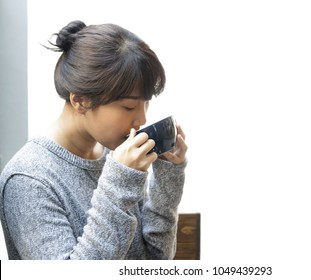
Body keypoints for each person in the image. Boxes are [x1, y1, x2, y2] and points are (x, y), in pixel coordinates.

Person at [0, 20, 187, 260]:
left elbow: (156, 260)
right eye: (128, 106)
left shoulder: (116, 156)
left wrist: (167, 175)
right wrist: (120, 182)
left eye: (146, 103)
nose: (141, 119)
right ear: (80, 101)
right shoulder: (28, 179)